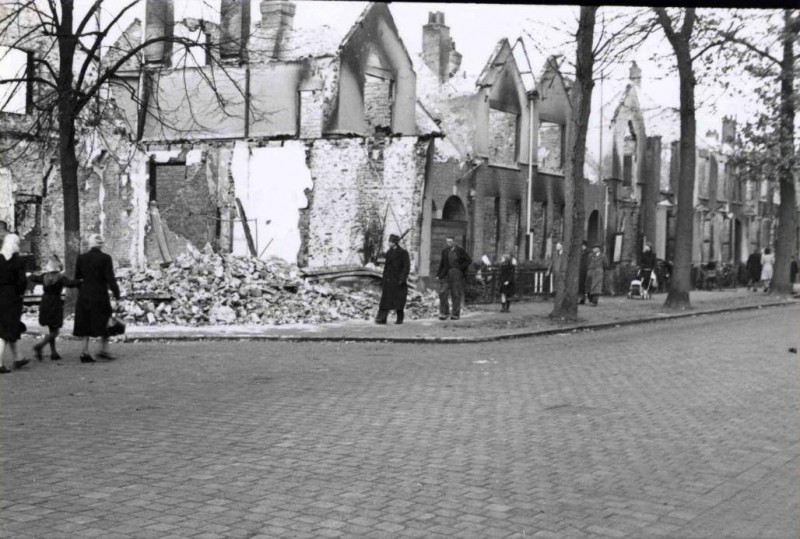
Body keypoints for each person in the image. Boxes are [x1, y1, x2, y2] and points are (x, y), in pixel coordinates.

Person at [73, 234, 120, 363]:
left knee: (85, 321)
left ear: (90, 244)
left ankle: (84, 351)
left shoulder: (81, 258)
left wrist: (82, 290)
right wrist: (117, 293)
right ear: (101, 244)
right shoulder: (106, 258)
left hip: (85, 294)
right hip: (100, 294)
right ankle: (103, 350)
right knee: (106, 319)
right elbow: (110, 279)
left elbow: (78, 277)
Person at [28, 255, 81, 361]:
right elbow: (70, 284)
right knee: (55, 330)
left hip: (45, 302)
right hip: (55, 303)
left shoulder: (44, 276)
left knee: (51, 328)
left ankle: (53, 352)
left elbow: (34, 278)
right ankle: (40, 346)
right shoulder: (60, 277)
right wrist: (81, 281)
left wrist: (29, 275)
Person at [0, 234, 30, 373]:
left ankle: (18, 358)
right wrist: (20, 293)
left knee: (11, 327)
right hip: (12, 296)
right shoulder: (19, 261)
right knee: (6, 329)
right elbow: (22, 281)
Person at [375, 234, 410, 325]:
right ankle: (382, 318)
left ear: (395, 243)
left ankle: (400, 318)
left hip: (398, 281)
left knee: (399, 300)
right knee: (385, 300)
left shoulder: (403, 253)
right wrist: (383, 279)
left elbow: (406, 267)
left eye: (390, 242)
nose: (388, 243)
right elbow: (386, 267)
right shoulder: (389, 253)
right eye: (389, 241)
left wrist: (401, 279)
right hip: (389, 280)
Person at [436, 236, 472, 321]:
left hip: (456, 274)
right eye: (447, 242)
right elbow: (442, 263)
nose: (449, 243)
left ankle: (455, 314)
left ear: (454, 242)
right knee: (442, 292)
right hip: (446, 274)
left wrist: (460, 268)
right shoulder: (445, 251)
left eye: (450, 242)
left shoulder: (460, 250)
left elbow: (468, 260)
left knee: (455, 294)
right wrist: (438, 274)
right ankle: (444, 313)